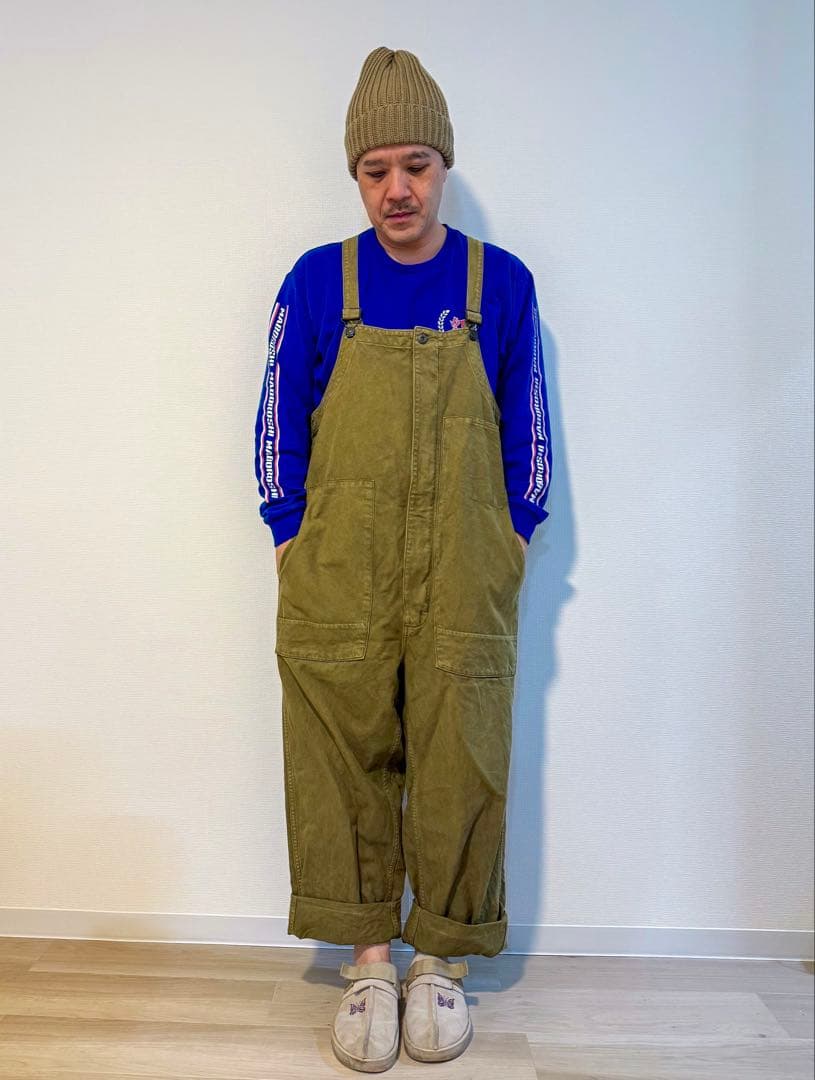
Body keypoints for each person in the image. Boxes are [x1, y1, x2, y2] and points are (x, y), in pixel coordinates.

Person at [254, 46, 552, 1073]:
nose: (397, 190)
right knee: (337, 750)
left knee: (460, 747)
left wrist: (513, 535)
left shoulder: (497, 283)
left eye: (416, 166)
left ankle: (440, 960)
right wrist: (289, 533)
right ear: (355, 174)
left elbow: (529, 428)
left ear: (443, 165)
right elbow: (276, 418)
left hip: (465, 559)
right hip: (340, 561)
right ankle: (369, 962)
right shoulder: (316, 280)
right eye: (375, 169)